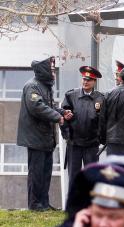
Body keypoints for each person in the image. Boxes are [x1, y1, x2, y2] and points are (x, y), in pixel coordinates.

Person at [17, 56, 72, 211]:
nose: (53, 72)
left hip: (45, 138)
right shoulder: (32, 86)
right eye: (52, 70)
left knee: (46, 172)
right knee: (36, 173)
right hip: (35, 138)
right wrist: (58, 118)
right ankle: (35, 205)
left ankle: (44, 203)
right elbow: (37, 107)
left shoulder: (45, 86)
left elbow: (50, 106)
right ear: (44, 70)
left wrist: (62, 112)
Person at [60, 66, 104, 188]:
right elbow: (62, 118)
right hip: (74, 144)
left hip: (91, 145)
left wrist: (100, 138)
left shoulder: (101, 98)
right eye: (84, 79)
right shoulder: (71, 95)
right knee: (74, 177)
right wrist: (67, 136)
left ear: (94, 81)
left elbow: (104, 120)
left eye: (89, 80)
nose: (85, 82)